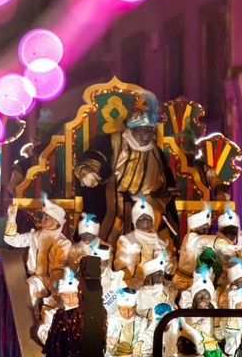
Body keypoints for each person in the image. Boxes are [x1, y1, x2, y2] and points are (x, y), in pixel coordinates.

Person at [75, 89, 179, 248]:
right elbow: (92, 159)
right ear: (133, 128)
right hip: (115, 201)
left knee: (159, 231)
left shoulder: (156, 151)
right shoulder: (112, 142)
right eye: (144, 129)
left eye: (151, 129)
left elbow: (168, 186)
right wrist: (87, 173)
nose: (148, 133)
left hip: (151, 205)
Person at [3, 194, 72, 308]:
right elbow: (12, 239)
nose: (42, 219)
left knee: (34, 284)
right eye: (43, 216)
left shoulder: (63, 243)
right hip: (34, 278)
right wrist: (11, 218)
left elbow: (59, 269)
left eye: (47, 217)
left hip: (53, 282)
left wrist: (55, 288)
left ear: (56, 222)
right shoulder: (35, 236)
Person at [115, 195, 174, 285]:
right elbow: (120, 262)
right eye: (141, 218)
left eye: (148, 218)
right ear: (135, 222)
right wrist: (127, 281)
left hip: (155, 285)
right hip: (132, 283)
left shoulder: (161, 243)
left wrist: (171, 265)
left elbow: (169, 268)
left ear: (153, 221)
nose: (145, 221)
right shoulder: (127, 241)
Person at [179, 266, 222, 356]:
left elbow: (219, 336)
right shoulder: (186, 313)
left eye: (206, 296)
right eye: (199, 295)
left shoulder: (214, 312)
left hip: (211, 350)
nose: (203, 299)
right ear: (194, 296)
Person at [216, 257, 242, 357]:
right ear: (233, 280)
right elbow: (223, 312)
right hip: (232, 327)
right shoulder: (226, 295)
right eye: (241, 278)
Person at [39, 268, 82, 356]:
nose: (71, 299)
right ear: (61, 296)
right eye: (67, 296)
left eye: (74, 295)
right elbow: (43, 333)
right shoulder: (53, 314)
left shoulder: (86, 312)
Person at [172, 205, 213, 290]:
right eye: (204, 225)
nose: (206, 228)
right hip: (183, 280)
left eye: (207, 226)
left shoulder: (203, 240)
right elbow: (204, 240)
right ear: (196, 227)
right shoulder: (191, 237)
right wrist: (220, 241)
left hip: (197, 280)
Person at [106, 288, 149, 357]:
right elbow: (108, 338)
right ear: (118, 308)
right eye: (123, 310)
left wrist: (138, 351)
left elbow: (142, 339)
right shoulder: (113, 321)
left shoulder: (141, 322)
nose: (127, 313)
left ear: (135, 307)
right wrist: (111, 342)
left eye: (130, 309)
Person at [136, 253, 178, 320]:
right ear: (150, 276)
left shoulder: (167, 290)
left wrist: (170, 311)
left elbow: (173, 306)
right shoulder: (141, 293)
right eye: (157, 273)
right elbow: (140, 311)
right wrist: (154, 314)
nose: (160, 275)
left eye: (161, 273)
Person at [94, 244, 128, 318]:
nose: (99, 268)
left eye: (102, 265)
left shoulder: (116, 279)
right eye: (96, 264)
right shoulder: (84, 276)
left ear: (106, 263)